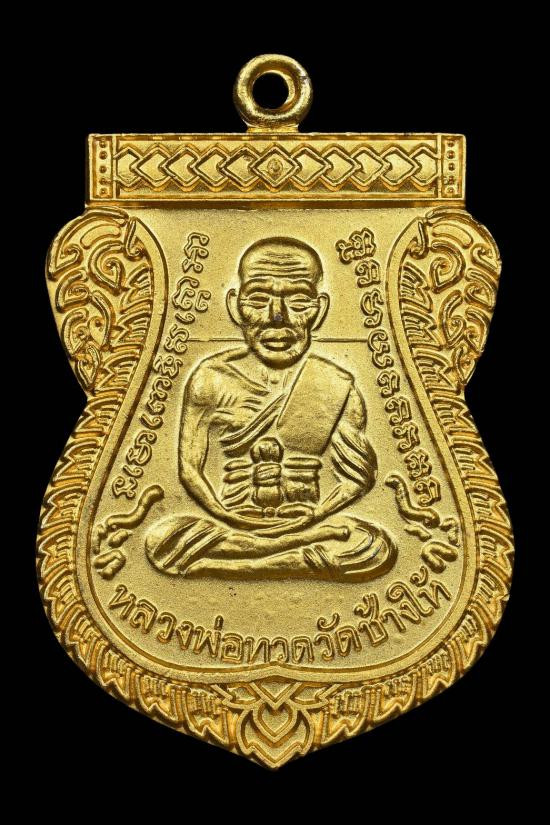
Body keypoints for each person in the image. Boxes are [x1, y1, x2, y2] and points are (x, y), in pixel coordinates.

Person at [146, 237, 396, 580]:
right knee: (161, 537)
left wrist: (315, 516)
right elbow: (189, 469)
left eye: (298, 300)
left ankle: (231, 564)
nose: (277, 317)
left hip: (309, 522)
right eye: (259, 299)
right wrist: (226, 515)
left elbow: (357, 480)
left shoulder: (335, 383)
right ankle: (280, 557)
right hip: (232, 523)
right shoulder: (211, 378)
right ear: (235, 306)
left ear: (320, 309)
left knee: (373, 546)